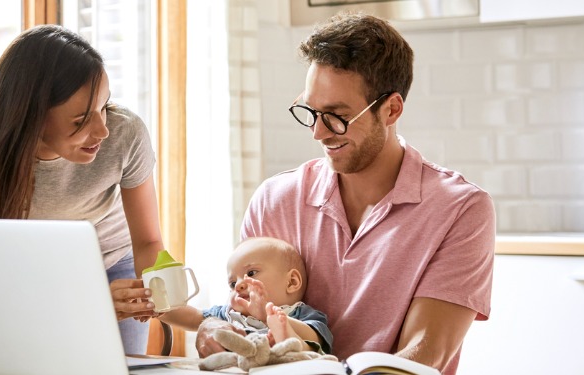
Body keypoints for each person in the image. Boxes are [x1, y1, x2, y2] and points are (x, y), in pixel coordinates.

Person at [195, 12, 494, 375]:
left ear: (391, 109)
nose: (318, 134)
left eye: (337, 115)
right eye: (311, 111)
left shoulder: (460, 208)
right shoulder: (274, 199)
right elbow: (244, 318)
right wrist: (214, 327)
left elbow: (426, 352)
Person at [0, 24, 163, 354]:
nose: (102, 130)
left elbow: (148, 241)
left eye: (104, 106)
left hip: (112, 264)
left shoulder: (125, 133)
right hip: (28, 275)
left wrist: (159, 287)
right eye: (80, 120)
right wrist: (88, 302)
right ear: (31, 116)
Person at [160, 237, 333, 354]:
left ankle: (285, 339)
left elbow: (315, 338)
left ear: (291, 282)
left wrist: (270, 316)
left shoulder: (300, 314)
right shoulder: (229, 314)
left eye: (251, 273)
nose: (240, 285)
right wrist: (156, 306)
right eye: (232, 284)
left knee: (307, 350)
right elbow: (192, 317)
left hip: (289, 365)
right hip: (240, 368)